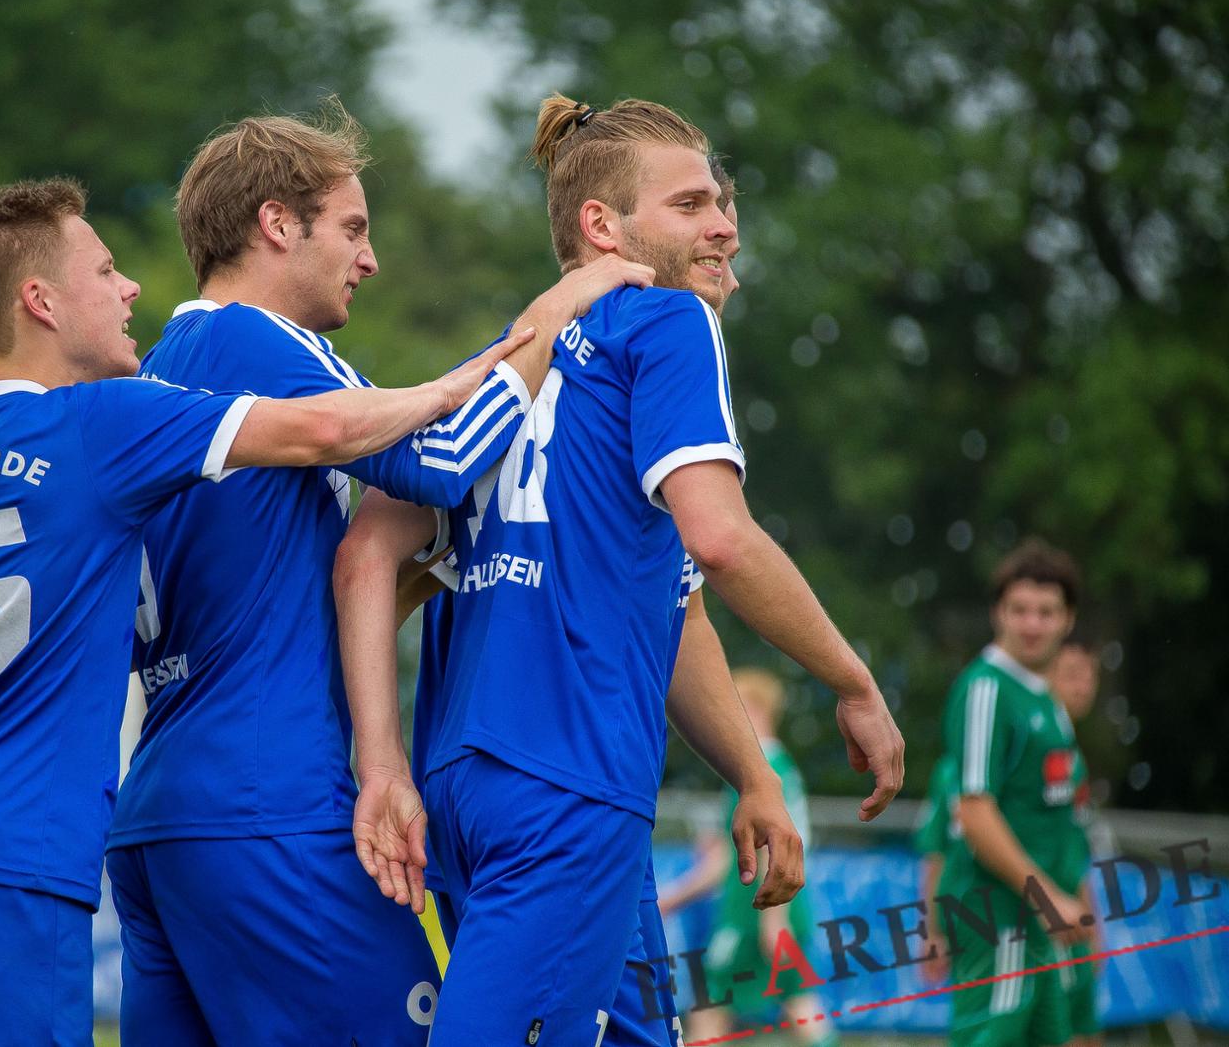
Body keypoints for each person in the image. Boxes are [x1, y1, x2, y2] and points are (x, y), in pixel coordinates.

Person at [0, 176, 529, 1047]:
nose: (131, 289)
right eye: (105, 270)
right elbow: (341, 433)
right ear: (40, 300)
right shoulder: (102, 419)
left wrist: (387, 580)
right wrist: (513, 350)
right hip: (10, 849)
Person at [339, 94, 902, 1043]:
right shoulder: (671, 323)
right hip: (570, 784)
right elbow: (720, 539)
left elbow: (675, 605)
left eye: (722, 203)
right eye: (690, 204)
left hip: (472, 782)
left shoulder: (501, 365)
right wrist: (854, 681)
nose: (724, 225)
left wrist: (754, 775)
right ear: (604, 227)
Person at [105, 99, 650, 1047]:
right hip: (266, 802)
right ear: (278, 224)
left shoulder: (161, 368)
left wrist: (427, 566)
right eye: (353, 229)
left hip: (158, 818)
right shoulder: (257, 338)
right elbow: (444, 456)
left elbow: (265, 604)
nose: (370, 259)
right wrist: (558, 309)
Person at [940, 539, 1091, 1047]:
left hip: (1038, 917)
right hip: (997, 915)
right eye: (1019, 610)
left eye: (1046, 612)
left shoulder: (1047, 698)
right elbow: (975, 812)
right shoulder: (986, 689)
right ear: (997, 613)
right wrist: (1047, 897)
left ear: (1068, 619)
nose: (1032, 624)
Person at [658, 669, 839, 1046]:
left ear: (754, 711)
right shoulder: (773, 768)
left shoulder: (763, 771)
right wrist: (674, 898)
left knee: (712, 1005)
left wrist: (774, 920)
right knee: (799, 1002)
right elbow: (731, 856)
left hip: (756, 913)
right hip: (771, 908)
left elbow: (774, 844)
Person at [1049, 642, 1102, 1047]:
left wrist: (1091, 916)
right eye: (1071, 674)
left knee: (1084, 1031)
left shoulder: (1071, 754)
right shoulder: (1037, 744)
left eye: (1089, 675)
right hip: (1039, 915)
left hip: (1071, 915)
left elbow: (1074, 848)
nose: (1082, 686)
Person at [914, 754, 961, 985]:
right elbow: (934, 857)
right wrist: (931, 931)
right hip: (975, 915)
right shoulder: (950, 770)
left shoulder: (952, 769)